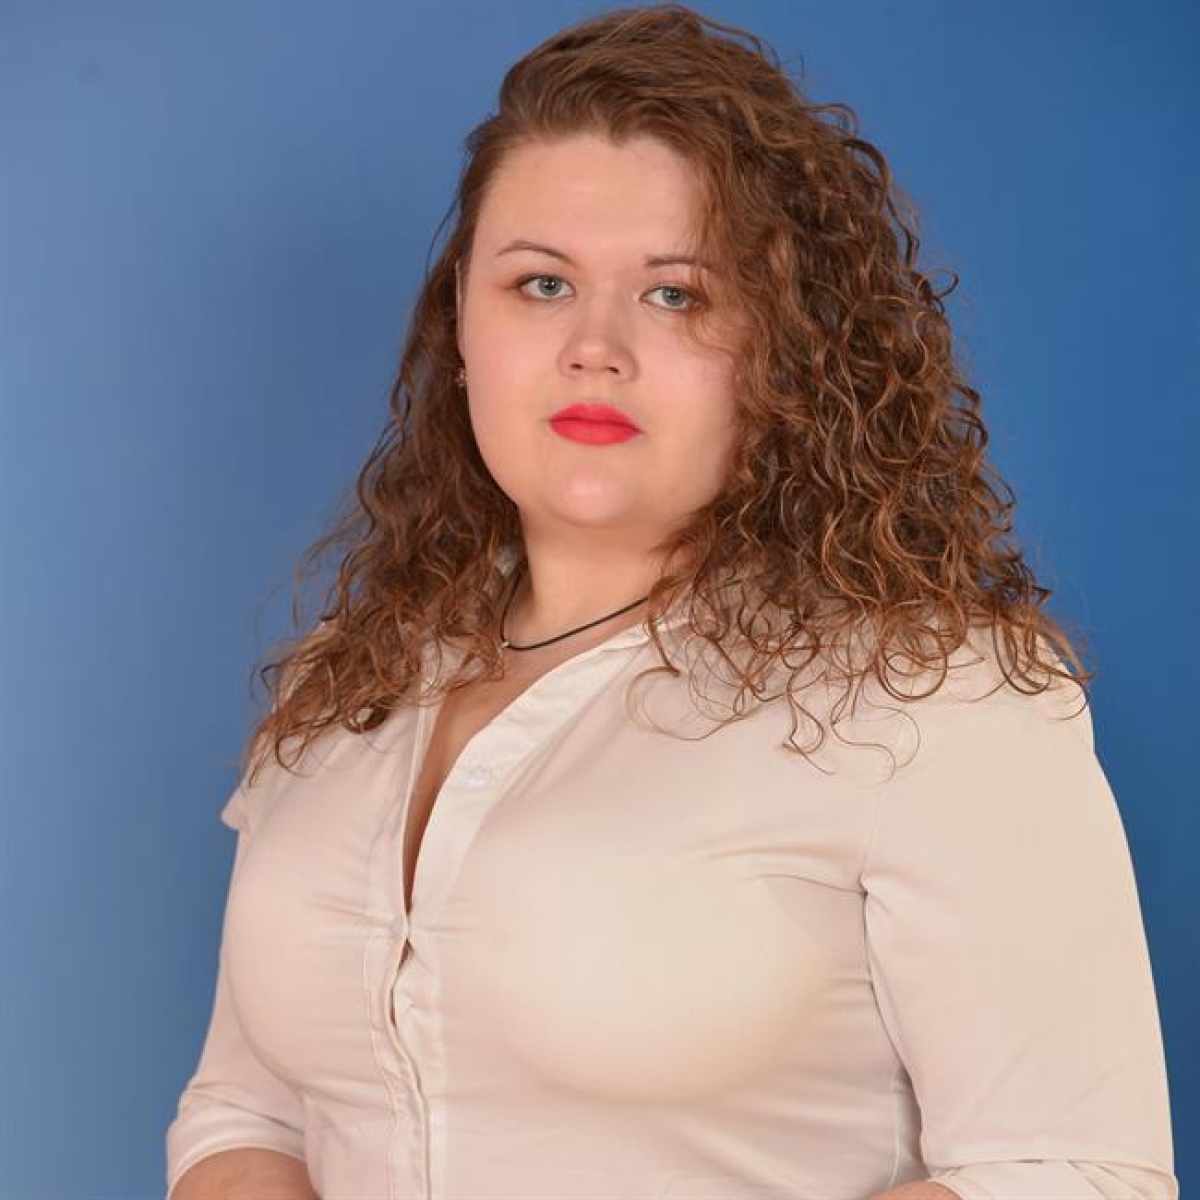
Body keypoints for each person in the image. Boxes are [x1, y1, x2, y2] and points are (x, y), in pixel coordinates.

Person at [164, 5, 1178, 1199]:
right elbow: (248, 1107)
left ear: (787, 346)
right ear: (460, 327)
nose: (594, 346)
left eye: (676, 295)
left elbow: (1073, 1174)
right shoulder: (349, 677)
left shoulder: (932, 697)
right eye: (542, 284)